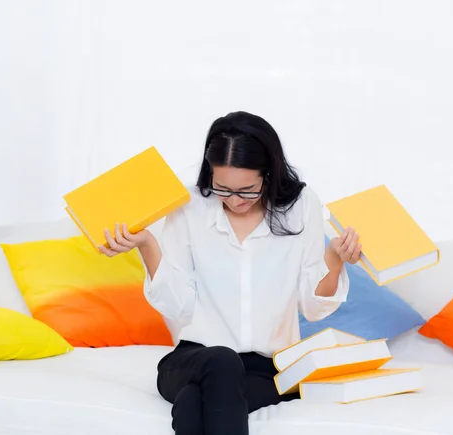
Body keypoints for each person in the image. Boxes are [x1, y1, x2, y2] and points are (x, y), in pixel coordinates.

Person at [99, 111, 361, 435]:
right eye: (222, 188)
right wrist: (147, 245)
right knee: (220, 361)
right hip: (193, 359)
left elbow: (313, 307)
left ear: (269, 174)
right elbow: (179, 306)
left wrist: (334, 257)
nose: (234, 200)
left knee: (193, 403)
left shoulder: (301, 205)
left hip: (268, 369)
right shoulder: (190, 205)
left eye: (247, 190)